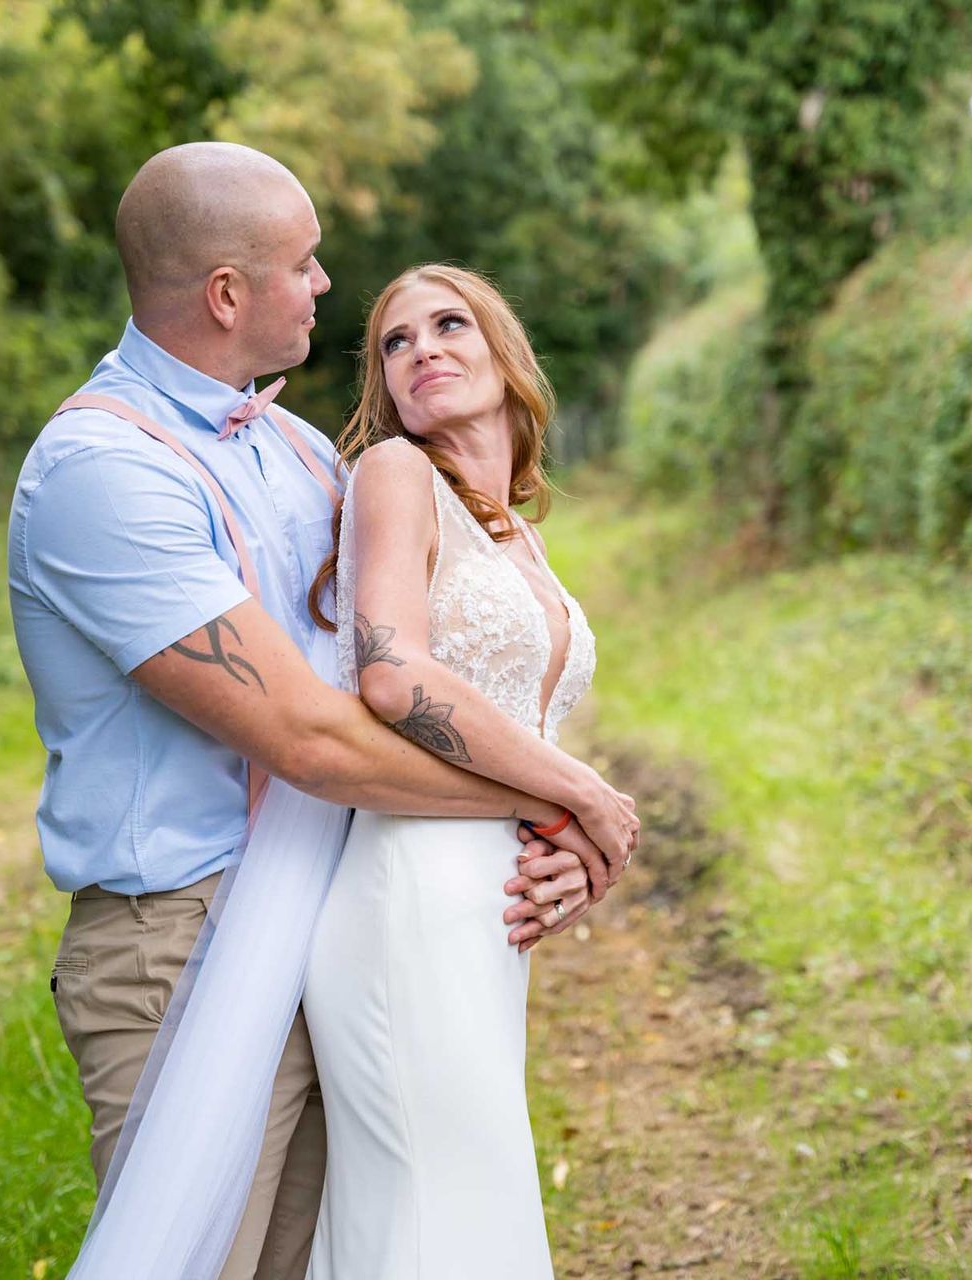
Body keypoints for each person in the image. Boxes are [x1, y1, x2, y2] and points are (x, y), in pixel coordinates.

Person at [5, 142, 634, 1280]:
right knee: (215, 1260)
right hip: (180, 936)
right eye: (305, 263)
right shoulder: (104, 471)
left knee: (368, 1241)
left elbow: (432, 650)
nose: (328, 286)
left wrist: (547, 823)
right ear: (228, 294)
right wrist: (560, 800)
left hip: (337, 896)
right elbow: (311, 731)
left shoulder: (297, 451)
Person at [301, 264, 611, 1278]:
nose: (423, 347)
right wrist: (581, 797)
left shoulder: (516, 531)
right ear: (383, 385)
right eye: (396, 341)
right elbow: (393, 675)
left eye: (448, 323)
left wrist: (565, 846)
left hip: (487, 908)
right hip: (409, 894)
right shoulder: (397, 472)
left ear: (502, 350)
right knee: (436, 1218)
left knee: (470, 1205)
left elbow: (516, 719)